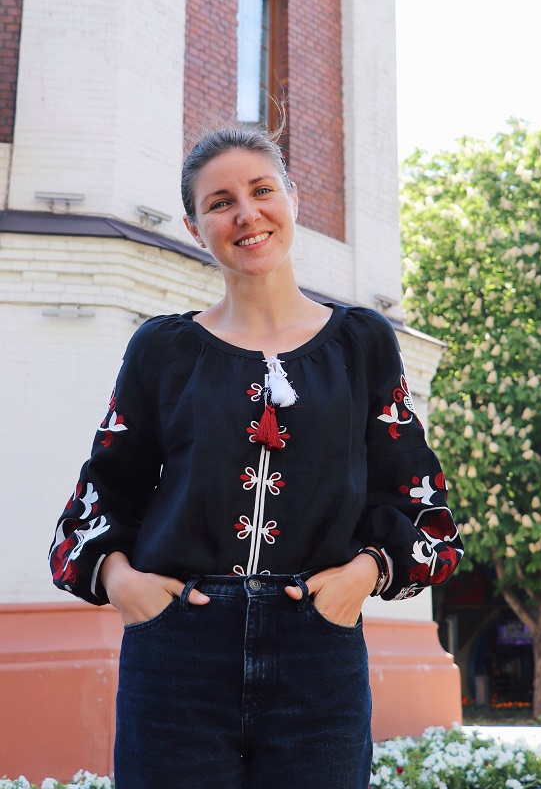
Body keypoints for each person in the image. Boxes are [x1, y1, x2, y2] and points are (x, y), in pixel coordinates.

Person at [50, 123, 463, 789]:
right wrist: (123, 583)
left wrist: (364, 574)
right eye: (220, 203)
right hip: (176, 652)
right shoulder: (162, 350)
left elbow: (417, 499)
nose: (246, 213)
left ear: (293, 199)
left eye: (262, 190)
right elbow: (104, 490)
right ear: (195, 228)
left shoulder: (362, 343)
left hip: (317, 649)